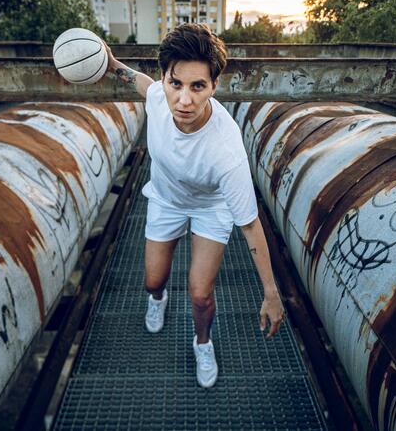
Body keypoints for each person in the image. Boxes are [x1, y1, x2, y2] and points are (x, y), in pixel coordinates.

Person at [104, 23, 284, 388]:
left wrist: (271, 292)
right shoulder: (157, 95)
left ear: (214, 86)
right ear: (165, 80)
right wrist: (112, 65)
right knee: (153, 280)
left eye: (198, 86)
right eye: (176, 84)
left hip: (210, 207)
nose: (184, 100)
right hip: (167, 199)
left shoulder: (226, 149)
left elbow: (250, 225)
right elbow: (140, 82)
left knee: (201, 294)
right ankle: (158, 298)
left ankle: (203, 342)